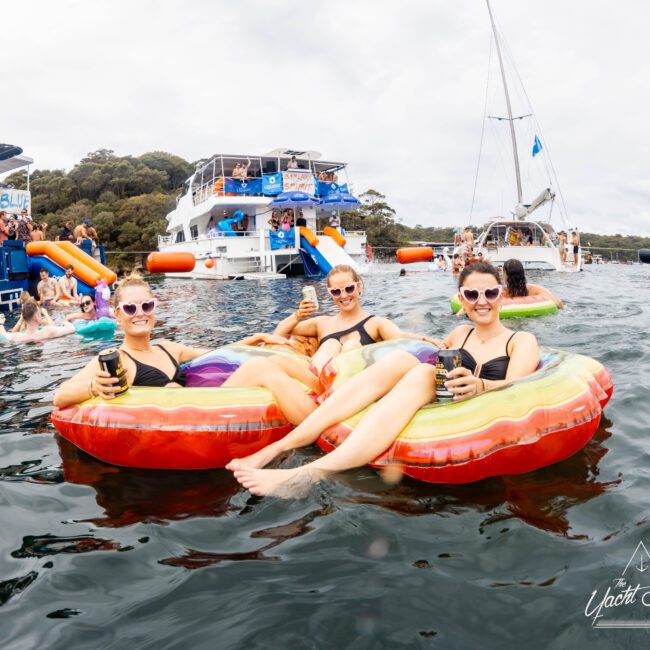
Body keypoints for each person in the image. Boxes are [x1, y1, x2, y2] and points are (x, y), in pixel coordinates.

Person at [230, 262, 540, 496]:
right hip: (445, 399)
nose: (481, 300)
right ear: (461, 297)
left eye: (490, 292)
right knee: (402, 360)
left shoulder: (520, 340)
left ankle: (312, 473)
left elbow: (520, 387)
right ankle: (277, 448)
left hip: (481, 406)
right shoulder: (460, 333)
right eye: (472, 293)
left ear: (502, 295)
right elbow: (421, 351)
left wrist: (481, 385)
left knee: (422, 372)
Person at [221, 265, 443, 426]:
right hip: (316, 383)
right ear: (329, 294)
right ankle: (204, 406)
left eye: (349, 289)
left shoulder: (375, 323)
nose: (344, 296)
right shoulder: (323, 323)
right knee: (262, 363)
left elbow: (399, 336)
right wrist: (297, 315)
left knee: (347, 345)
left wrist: (422, 339)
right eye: (336, 292)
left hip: (343, 391)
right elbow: (279, 334)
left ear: (359, 286)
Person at [53, 273, 212, 407]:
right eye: (130, 308)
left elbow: (216, 354)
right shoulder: (118, 360)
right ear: (118, 314)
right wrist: (94, 386)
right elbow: (59, 396)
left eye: (146, 306)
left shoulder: (169, 349)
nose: (140, 313)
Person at [0, 302, 75, 344]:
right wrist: (65, 322)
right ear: (36, 316)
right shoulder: (47, 332)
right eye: (39, 313)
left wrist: (1, 324)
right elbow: (72, 329)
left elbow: (4, 334)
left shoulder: (16, 337)